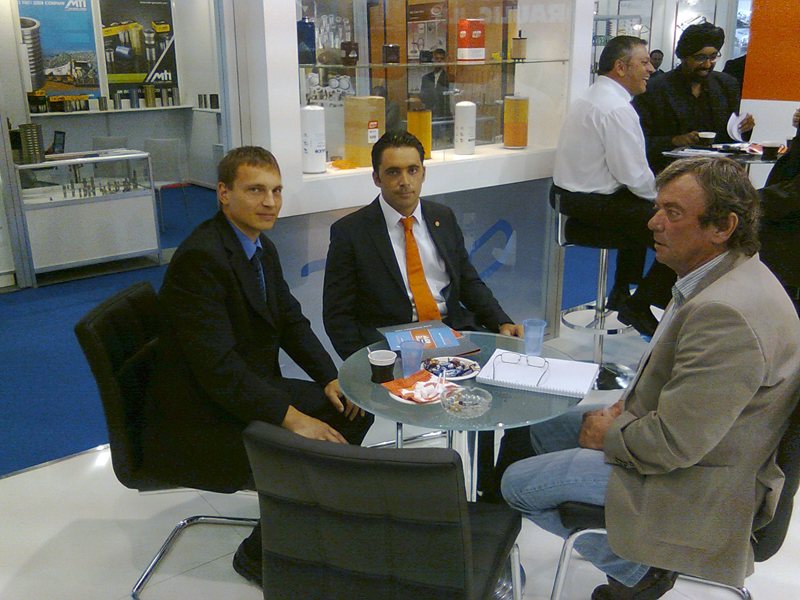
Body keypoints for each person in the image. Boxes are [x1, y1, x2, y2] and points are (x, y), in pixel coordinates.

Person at [502, 156, 800, 600]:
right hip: (697, 448)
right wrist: (626, 409)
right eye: (658, 208)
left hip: (700, 482)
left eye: (672, 213)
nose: (653, 222)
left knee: (516, 484)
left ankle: (638, 570)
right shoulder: (722, 276)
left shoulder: (727, 314)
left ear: (723, 227)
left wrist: (610, 433)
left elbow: (675, 444)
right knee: (536, 430)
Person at [144, 146, 373, 587]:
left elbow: (289, 319)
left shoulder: (258, 244)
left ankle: (300, 518)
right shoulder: (201, 259)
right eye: (255, 190)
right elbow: (218, 370)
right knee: (320, 432)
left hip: (241, 385)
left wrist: (330, 376)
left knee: (353, 408)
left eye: (276, 191)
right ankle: (258, 554)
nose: (270, 202)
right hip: (201, 409)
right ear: (223, 193)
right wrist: (292, 418)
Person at [323, 130, 524, 499]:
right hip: (392, 346)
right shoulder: (351, 232)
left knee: (517, 389)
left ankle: (493, 492)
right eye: (393, 172)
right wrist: (363, 365)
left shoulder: (441, 217)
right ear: (376, 178)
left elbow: (468, 279)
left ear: (423, 173)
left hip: (452, 332)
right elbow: (336, 315)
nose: (405, 181)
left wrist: (501, 320)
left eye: (413, 170)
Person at [552, 35, 675, 336]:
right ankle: (641, 303)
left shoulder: (593, 96)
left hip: (568, 197)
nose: (651, 69)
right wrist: (664, 201)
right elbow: (633, 175)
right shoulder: (616, 109)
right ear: (621, 67)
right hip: (588, 202)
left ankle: (622, 291)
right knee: (677, 229)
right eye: (644, 62)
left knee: (645, 209)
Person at [634, 22, 755, 172]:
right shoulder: (654, 89)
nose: (707, 64)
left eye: (713, 57)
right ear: (684, 57)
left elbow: (731, 139)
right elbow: (638, 141)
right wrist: (674, 140)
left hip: (716, 173)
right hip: (669, 172)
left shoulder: (726, 85)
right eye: (700, 58)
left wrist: (743, 127)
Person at [419, 48, 450, 119]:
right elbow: (423, 97)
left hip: (444, 114)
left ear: (445, 61)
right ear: (433, 59)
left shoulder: (449, 78)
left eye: (442, 59)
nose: (439, 60)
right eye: (437, 58)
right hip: (429, 113)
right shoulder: (426, 78)